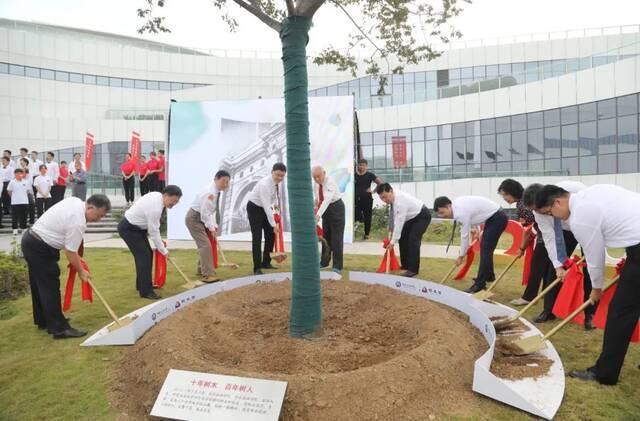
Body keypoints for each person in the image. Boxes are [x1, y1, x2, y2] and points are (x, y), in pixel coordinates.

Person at [536, 184, 640, 385]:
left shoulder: (580, 217)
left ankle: (604, 373)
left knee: (621, 311)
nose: (555, 218)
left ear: (558, 201)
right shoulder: (591, 193)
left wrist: (596, 289)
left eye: (550, 212)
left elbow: (594, 256)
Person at [21, 194, 111, 339]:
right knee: (50, 286)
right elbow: (70, 252)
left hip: (31, 240)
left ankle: (44, 320)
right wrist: (81, 271)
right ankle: (59, 328)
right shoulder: (78, 222)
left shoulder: (75, 200)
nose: (98, 219)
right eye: (98, 215)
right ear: (90, 207)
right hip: (39, 247)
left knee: (39, 285)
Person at [531, 180, 595, 326]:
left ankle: (590, 313)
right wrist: (558, 266)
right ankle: (549, 311)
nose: (541, 214)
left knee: (590, 269)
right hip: (564, 232)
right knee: (553, 269)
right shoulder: (538, 212)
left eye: (544, 211)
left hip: (586, 226)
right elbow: (549, 238)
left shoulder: (577, 192)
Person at [118, 186, 182, 299]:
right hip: (129, 229)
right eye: (173, 201)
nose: (174, 204)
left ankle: (142, 285)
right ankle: (146, 291)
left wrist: (162, 249)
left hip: (137, 229)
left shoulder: (158, 196)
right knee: (144, 256)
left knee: (147, 254)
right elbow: (154, 232)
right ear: (166, 195)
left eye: (176, 202)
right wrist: (163, 250)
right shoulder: (155, 208)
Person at [497, 179, 553, 307]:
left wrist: (521, 248)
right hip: (549, 234)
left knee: (536, 266)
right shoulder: (525, 200)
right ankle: (547, 294)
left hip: (545, 236)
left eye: (505, 194)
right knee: (547, 266)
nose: (504, 198)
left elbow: (527, 230)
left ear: (512, 192)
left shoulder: (523, 205)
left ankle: (529, 297)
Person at [434, 195, 508, 293]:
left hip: (497, 218)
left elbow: (464, 236)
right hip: (493, 217)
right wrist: (477, 230)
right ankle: (489, 276)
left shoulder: (460, 212)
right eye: (439, 214)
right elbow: (474, 214)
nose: (442, 216)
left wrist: (461, 256)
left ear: (448, 206)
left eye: (442, 212)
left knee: (485, 250)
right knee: (486, 250)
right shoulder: (457, 207)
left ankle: (479, 285)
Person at [377, 183, 431, 277]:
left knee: (413, 239)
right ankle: (406, 264)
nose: (384, 200)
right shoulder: (393, 198)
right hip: (410, 218)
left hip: (422, 216)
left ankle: (413, 269)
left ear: (391, 191)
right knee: (402, 237)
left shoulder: (400, 202)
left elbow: (399, 223)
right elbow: (394, 218)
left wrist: (392, 242)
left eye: (385, 197)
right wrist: (391, 230)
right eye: (382, 198)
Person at [185, 171, 230, 282]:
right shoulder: (210, 193)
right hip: (194, 218)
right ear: (216, 179)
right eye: (223, 181)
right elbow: (205, 213)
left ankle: (201, 269)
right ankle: (208, 274)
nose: (225, 184)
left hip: (201, 218)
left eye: (227, 182)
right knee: (205, 245)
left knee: (206, 244)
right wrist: (211, 228)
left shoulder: (216, 191)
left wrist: (213, 226)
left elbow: (209, 212)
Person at [246, 163, 286, 275]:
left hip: (265, 208)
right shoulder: (264, 184)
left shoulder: (275, 184)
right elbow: (266, 205)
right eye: (278, 175)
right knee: (257, 237)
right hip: (254, 208)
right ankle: (257, 267)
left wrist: (277, 209)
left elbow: (273, 200)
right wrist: (274, 225)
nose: (280, 178)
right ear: (272, 172)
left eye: (282, 176)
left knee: (270, 235)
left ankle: (266, 262)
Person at [312, 165, 345, 274]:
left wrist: (318, 215)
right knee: (326, 238)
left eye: (318, 176)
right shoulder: (317, 184)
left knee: (336, 238)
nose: (317, 179)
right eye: (314, 177)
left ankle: (337, 266)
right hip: (325, 210)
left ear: (324, 173)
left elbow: (327, 200)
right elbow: (319, 198)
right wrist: (316, 202)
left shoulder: (330, 182)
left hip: (336, 209)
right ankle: (324, 262)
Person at [354, 159, 382, 240]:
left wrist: (373, 191)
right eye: (360, 165)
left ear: (366, 166)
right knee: (357, 214)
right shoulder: (354, 175)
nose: (361, 167)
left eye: (363, 165)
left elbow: (380, 183)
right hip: (356, 200)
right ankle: (359, 220)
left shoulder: (370, 175)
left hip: (367, 199)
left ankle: (366, 234)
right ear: (358, 166)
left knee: (368, 217)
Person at [7, 168, 33, 235]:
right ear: (15, 174)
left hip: (24, 202)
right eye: (17, 173)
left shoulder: (26, 182)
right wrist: (14, 197)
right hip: (15, 202)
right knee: (15, 216)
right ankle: (15, 229)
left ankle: (23, 228)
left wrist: (22, 196)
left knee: (24, 216)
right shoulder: (12, 182)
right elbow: (9, 191)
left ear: (22, 174)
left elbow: (27, 191)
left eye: (20, 173)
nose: (19, 175)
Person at [18, 158, 35, 225]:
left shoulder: (29, 170)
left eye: (22, 162)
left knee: (31, 206)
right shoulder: (18, 171)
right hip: (20, 191)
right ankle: (22, 221)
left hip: (28, 191)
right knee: (22, 207)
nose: (21, 163)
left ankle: (31, 221)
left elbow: (30, 181)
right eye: (20, 162)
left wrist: (26, 189)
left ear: (26, 162)